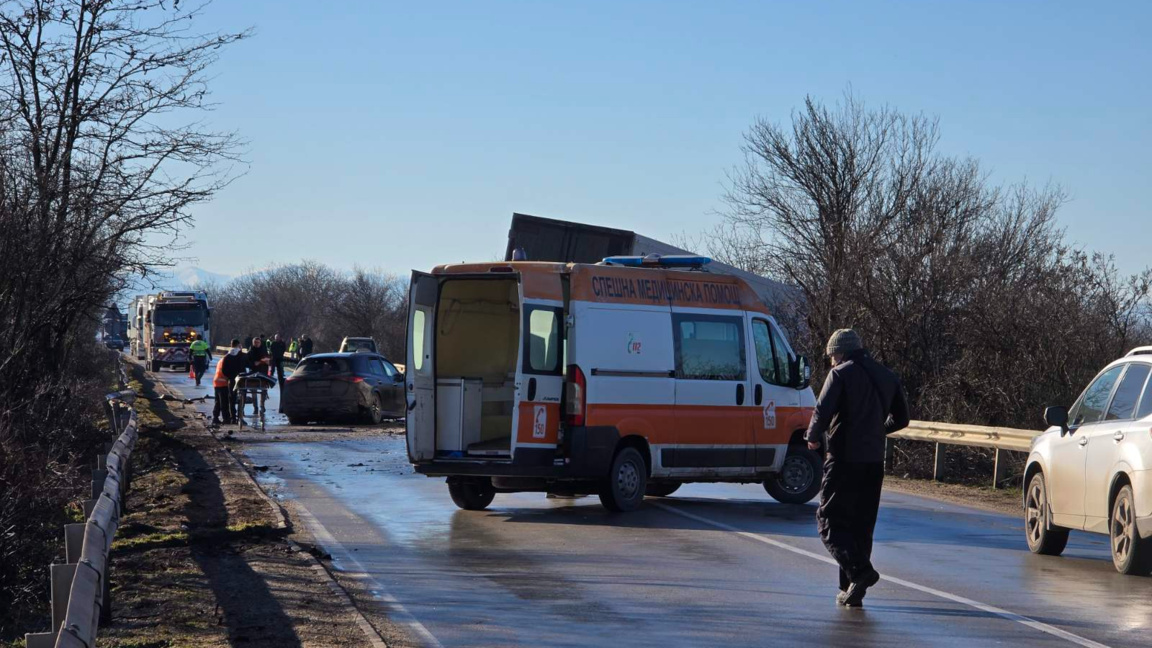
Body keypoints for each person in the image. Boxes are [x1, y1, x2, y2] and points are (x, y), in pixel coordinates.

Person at [804, 329, 909, 608]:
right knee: (861, 525)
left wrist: (812, 437)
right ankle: (851, 588)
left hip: (843, 459)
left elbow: (822, 410)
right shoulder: (887, 375)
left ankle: (861, 573)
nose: (830, 362)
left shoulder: (840, 374)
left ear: (841, 352)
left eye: (831, 356)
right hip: (873, 461)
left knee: (829, 521)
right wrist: (877, 431)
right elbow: (902, 419)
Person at [212, 339, 246, 425]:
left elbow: (224, 371)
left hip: (221, 381)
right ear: (239, 346)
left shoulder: (226, 357)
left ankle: (228, 418)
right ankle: (228, 418)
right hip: (225, 382)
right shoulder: (240, 355)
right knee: (225, 402)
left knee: (224, 401)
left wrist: (230, 377)